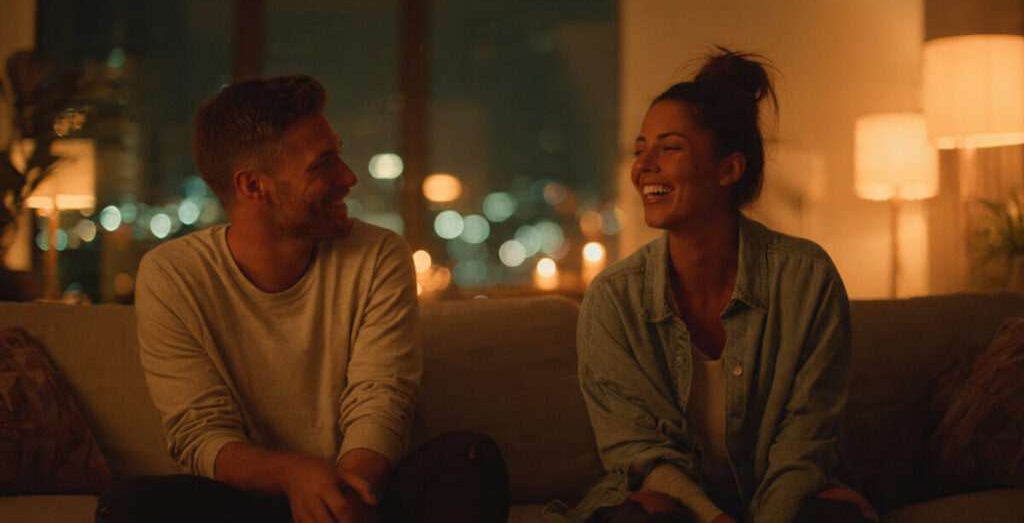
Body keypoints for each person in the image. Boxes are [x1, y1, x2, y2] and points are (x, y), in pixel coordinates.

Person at [96, 75, 508, 523]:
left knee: (469, 459)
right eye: (323, 164)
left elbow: (381, 398)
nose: (348, 178)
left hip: (365, 491)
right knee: (129, 507)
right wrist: (296, 477)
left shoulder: (379, 255)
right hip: (253, 499)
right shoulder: (173, 274)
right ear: (254, 187)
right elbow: (200, 434)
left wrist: (340, 497)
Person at [562, 49, 876, 523]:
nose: (643, 166)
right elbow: (639, 452)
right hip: (675, 507)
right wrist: (713, 519)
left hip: (785, 501)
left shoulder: (806, 279)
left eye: (669, 148)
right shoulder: (614, 300)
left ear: (729, 169)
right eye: (639, 148)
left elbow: (804, 442)